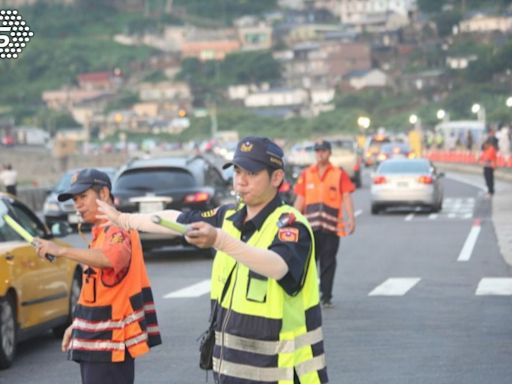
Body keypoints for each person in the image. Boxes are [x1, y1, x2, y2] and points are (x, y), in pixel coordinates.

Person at [97, 137, 328, 383]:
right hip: (231, 373)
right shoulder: (227, 217)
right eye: (237, 170)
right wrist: (123, 219)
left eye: (251, 172)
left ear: (277, 178)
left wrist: (219, 239)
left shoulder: (290, 225)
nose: (241, 179)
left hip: (285, 376)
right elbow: (176, 219)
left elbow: (277, 266)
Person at [34, 168, 161, 384]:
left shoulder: (117, 228)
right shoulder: (100, 233)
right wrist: (77, 324)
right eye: (75, 199)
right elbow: (99, 292)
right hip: (99, 343)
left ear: (103, 194)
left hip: (110, 345)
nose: (78, 205)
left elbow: (114, 258)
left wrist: (61, 251)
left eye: (83, 196)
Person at [293, 140, 356, 308]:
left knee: (328, 261)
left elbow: (346, 196)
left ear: (329, 153)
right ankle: (309, 295)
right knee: (309, 263)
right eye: (318, 151)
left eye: (324, 151)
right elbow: (300, 199)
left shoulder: (338, 173)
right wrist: (292, 220)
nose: (320, 154)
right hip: (310, 227)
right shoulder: (307, 174)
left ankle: (326, 296)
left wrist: (351, 218)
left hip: (331, 227)